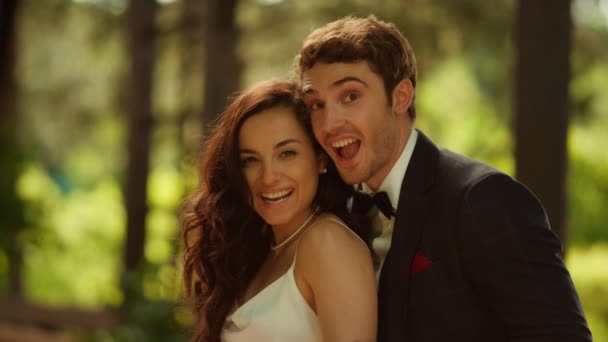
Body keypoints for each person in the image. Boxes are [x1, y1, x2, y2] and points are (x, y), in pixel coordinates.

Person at [295, 15, 592, 341]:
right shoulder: (339, 209)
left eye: (350, 96)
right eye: (316, 104)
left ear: (400, 97)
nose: (328, 123)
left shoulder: (484, 199)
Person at [181, 80, 377, 342]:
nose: (269, 178)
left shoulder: (327, 243)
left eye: (287, 153)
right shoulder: (263, 247)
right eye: (250, 160)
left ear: (320, 159)